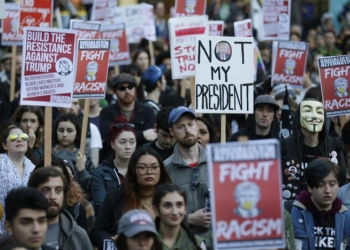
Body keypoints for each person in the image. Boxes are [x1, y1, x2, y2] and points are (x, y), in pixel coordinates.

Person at [90, 147, 172, 250]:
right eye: (142, 167)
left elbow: (176, 237)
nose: (149, 171)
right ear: (133, 170)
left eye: (154, 167)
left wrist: (154, 222)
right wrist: (114, 242)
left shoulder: (170, 198)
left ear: (161, 170)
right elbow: (97, 231)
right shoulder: (117, 195)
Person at [164, 106, 212, 249]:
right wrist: (189, 219)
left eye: (190, 124)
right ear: (171, 132)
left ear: (197, 126)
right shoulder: (165, 168)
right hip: (181, 243)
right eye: (180, 127)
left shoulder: (217, 163)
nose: (187, 130)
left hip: (215, 241)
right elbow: (160, 211)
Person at [281, 99, 346, 201]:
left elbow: (342, 182)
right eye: (307, 111)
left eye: (319, 112)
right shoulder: (284, 146)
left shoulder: (334, 146)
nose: (314, 116)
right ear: (299, 116)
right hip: (293, 208)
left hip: (325, 209)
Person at [291, 158, 350, 249]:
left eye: (332, 184)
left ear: (338, 185)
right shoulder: (292, 212)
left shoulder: (345, 216)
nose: (327, 190)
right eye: (321, 184)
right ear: (310, 187)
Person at [28, 167, 93, 250]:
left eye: (58, 190)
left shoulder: (79, 236)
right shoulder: (17, 234)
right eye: (45, 190)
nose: (52, 197)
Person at [99, 73, 157, 160]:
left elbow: (151, 138)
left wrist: (121, 137)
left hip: (141, 159)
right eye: (122, 88)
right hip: (113, 160)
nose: (127, 91)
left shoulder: (147, 111)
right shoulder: (107, 112)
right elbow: (109, 138)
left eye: (130, 87)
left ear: (135, 89)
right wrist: (143, 134)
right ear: (115, 91)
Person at [91, 117, 137, 214]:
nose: (128, 147)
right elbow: (101, 207)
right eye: (123, 142)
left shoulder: (141, 170)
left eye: (132, 142)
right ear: (112, 145)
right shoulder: (100, 173)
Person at [0, 125, 35, 233]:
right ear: (5, 145)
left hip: (26, 228)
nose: (19, 139)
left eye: (24, 137)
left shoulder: (33, 168)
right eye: (13, 138)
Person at [153, 183, 206, 250]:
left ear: (185, 208)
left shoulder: (198, 244)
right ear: (156, 210)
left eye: (179, 205)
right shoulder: (146, 243)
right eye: (167, 205)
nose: (174, 212)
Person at [52, 113, 94, 194]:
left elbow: (92, 189)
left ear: (77, 134)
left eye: (70, 131)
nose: (64, 134)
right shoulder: (47, 155)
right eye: (61, 130)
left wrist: (82, 170)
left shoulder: (83, 158)